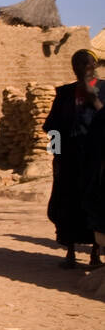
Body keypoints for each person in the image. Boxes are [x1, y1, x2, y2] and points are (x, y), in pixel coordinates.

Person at [43, 49, 102, 268]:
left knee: (94, 205)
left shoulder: (103, 90)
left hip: (95, 158)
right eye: (76, 65)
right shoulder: (65, 93)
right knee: (68, 203)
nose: (80, 69)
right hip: (69, 158)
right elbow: (53, 127)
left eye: (85, 64)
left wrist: (93, 99)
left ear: (93, 66)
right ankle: (69, 251)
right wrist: (55, 156)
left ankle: (95, 252)